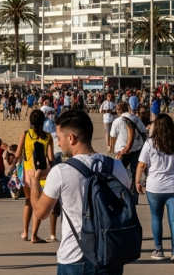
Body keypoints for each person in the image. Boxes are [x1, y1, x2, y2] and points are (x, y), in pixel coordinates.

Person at [30, 110, 131, 274]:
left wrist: (35, 180)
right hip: (110, 254)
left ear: (71, 138)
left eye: (59, 137)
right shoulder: (116, 167)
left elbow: (40, 213)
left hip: (74, 259)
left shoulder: (61, 171)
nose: (59, 142)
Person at [135, 113, 174, 261]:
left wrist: (137, 181)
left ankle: (159, 250)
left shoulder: (150, 143)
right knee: (173, 220)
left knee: (156, 217)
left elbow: (141, 165)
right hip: (172, 186)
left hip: (155, 186)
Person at [13, 110, 54, 243]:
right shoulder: (48, 136)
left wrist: (11, 166)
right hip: (42, 174)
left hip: (28, 174)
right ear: (44, 121)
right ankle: (34, 236)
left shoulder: (25, 134)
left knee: (28, 202)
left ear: (31, 121)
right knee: (38, 204)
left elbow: (18, 154)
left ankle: (25, 232)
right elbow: (51, 158)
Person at [109, 102, 147, 204]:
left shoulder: (117, 121)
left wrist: (112, 147)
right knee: (135, 173)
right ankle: (134, 198)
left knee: (117, 172)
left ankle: (119, 194)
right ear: (127, 108)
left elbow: (113, 135)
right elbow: (143, 130)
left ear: (118, 111)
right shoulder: (135, 118)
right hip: (136, 149)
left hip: (122, 151)